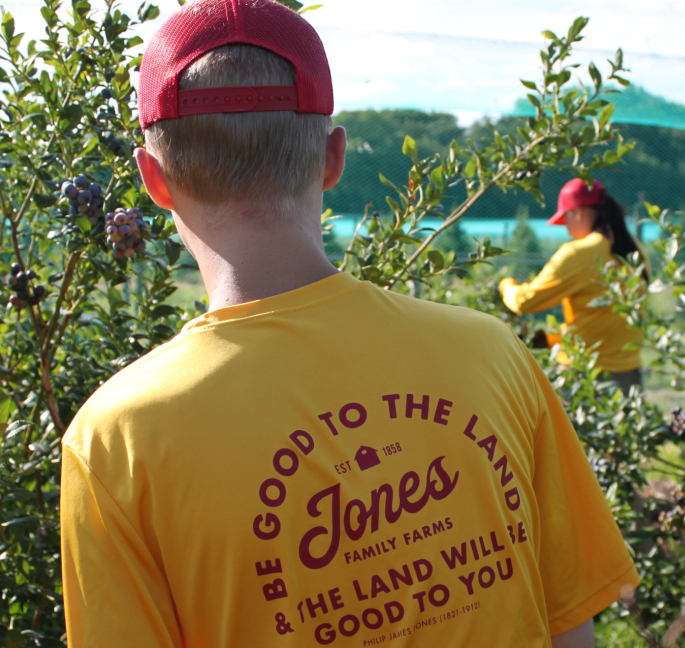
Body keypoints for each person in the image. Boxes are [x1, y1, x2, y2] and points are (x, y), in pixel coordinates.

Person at [59, 2, 639, 647]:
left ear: (153, 180)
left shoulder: (117, 439)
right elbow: (570, 626)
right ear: (333, 157)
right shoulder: (490, 353)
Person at [499, 178, 649, 392]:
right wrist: (552, 339)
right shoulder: (636, 252)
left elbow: (525, 302)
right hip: (629, 377)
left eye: (566, 219)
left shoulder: (578, 254)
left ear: (578, 213)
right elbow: (604, 320)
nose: (567, 230)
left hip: (585, 376)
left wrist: (506, 285)